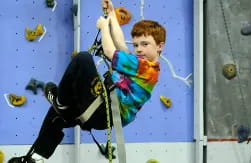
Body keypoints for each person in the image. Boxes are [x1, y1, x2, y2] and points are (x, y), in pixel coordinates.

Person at [8, 0, 166, 162]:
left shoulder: (147, 69)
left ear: (160, 46)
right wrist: (112, 14)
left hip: (103, 111)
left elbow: (111, 51)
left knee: (83, 59)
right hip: (99, 112)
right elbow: (120, 44)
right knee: (56, 116)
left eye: (145, 44)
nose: (139, 49)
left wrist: (104, 27)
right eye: (136, 45)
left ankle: (61, 102)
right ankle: (35, 157)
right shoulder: (139, 66)